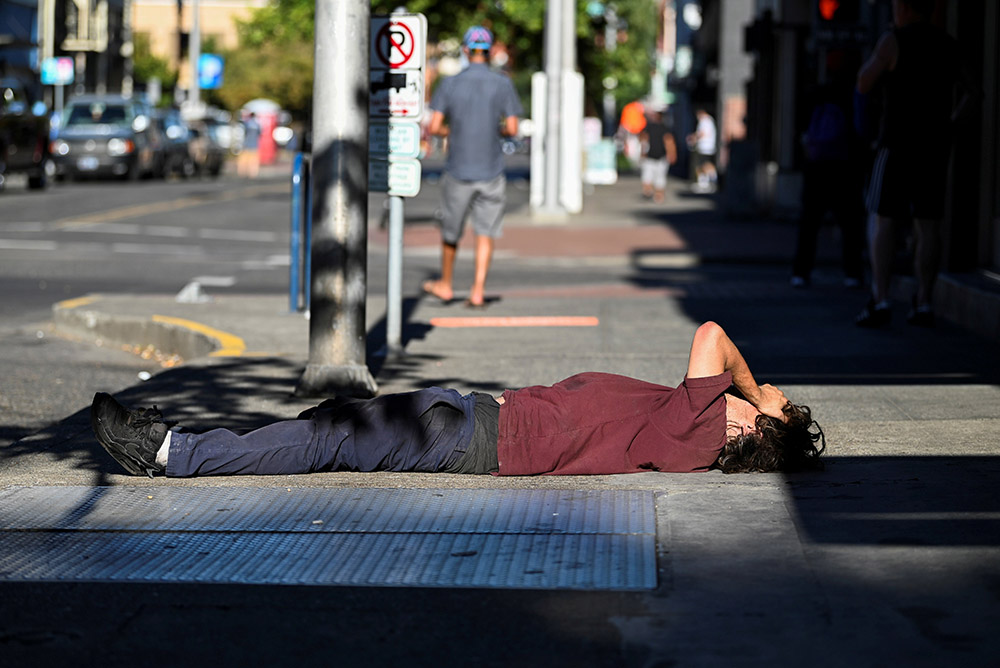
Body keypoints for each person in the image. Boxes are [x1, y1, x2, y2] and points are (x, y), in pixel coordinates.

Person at [90, 321, 825, 479]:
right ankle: (191, 441)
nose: (781, 390)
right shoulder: (690, 426)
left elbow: (711, 334)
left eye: (786, 402)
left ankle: (166, 450)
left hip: (468, 435)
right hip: (474, 420)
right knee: (328, 425)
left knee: (328, 442)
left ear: (765, 423)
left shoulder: (695, 430)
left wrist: (756, 392)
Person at [854, 0, 973, 328]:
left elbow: (863, 82)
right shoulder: (947, 43)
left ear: (904, 8)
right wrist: (951, 124)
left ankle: (881, 298)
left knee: (885, 221)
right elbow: (975, 91)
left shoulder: (894, 40)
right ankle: (924, 300)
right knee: (928, 223)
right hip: (933, 145)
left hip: (896, 144)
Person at [421, 26, 523, 309]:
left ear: (466, 50)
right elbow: (513, 127)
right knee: (485, 231)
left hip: (458, 170)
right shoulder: (502, 83)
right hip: (491, 170)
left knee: (451, 231)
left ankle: (445, 283)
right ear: (489, 53)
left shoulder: (450, 84)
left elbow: (435, 126)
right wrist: (495, 130)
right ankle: (477, 291)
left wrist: (452, 131)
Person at [791, 79, 865, 289]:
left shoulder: (815, 95)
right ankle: (853, 273)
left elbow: (801, 129)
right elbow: (861, 129)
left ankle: (800, 272)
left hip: (816, 168)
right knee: (850, 225)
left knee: (809, 224)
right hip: (844, 168)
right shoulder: (852, 94)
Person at [639, 107, 678, 203]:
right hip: (654, 156)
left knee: (656, 177)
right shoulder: (655, 127)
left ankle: (657, 194)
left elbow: (668, 142)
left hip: (658, 156)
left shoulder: (660, 128)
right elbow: (669, 142)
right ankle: (656, 194)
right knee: (654, 177)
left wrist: (671, 154)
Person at [687, 108, 717, 193]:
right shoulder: (710, 120)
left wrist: (693, 138)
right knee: (706, 164)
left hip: (704, 147)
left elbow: (702, 133)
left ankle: (705, 183)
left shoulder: (704, 121)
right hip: (709, 147)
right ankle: (707, 182)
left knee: (702, 165)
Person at [237, 112, 260, 179]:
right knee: (254, 161)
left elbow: (243, 133)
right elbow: (259, 133)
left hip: (246, 144)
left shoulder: (247, 123)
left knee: (243, 160)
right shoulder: (257, 124)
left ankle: (242, 173)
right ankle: (253, 174)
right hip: (255, 145)